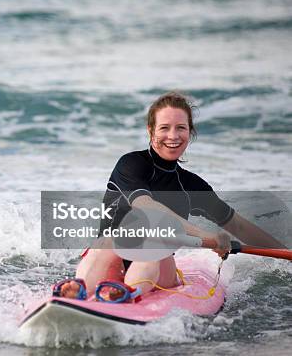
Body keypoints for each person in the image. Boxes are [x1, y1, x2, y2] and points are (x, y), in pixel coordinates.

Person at [59, 91, 285, 300]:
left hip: (158, 271)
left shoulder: (191, 186)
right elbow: (147, 207)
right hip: (108, 262)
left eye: (181, 128)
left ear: (190, 132)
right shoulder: (131, 165)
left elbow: (239, 226)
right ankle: (79, 291)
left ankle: (127, 293)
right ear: (151, 130)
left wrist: (284, 252)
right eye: (164, 128)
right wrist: (207, 237)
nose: (173, 136)